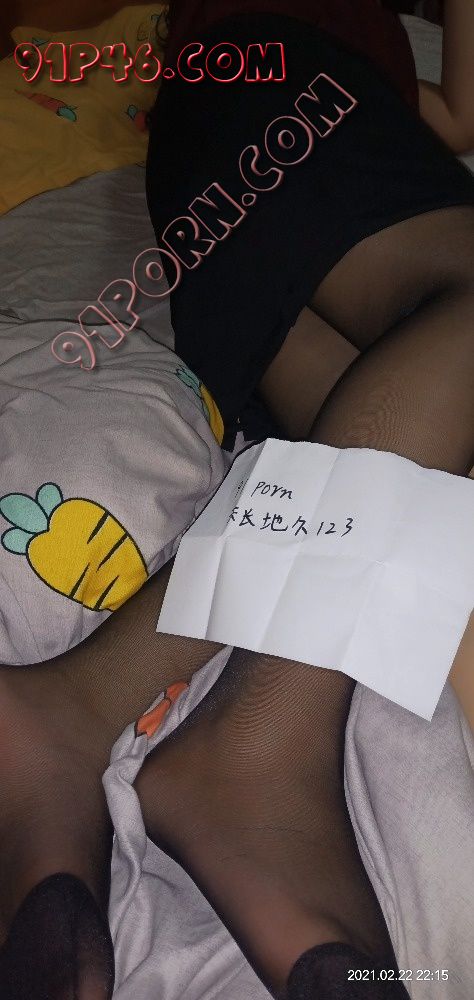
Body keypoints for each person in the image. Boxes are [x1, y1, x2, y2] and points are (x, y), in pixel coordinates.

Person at [0, 1, 473, 997]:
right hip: (281, 96)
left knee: (411, 460)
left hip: (251, 188)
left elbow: (455, 117)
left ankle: (73, 711)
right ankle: (257, 741)